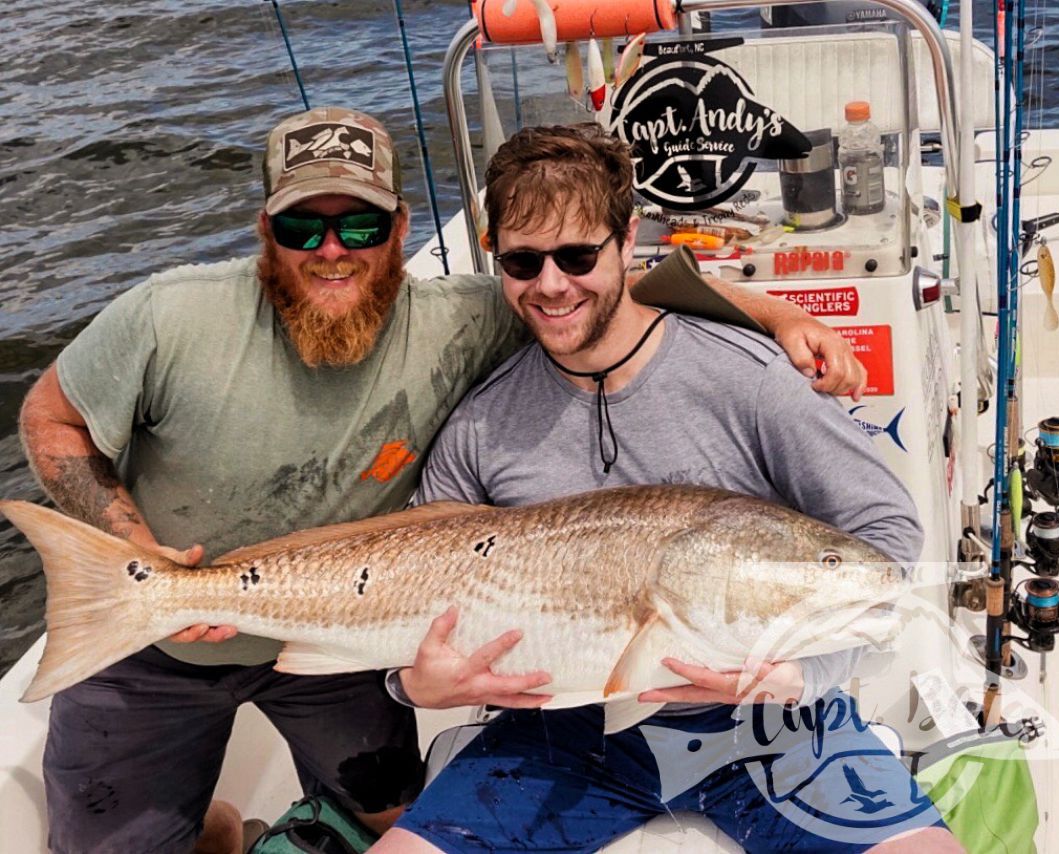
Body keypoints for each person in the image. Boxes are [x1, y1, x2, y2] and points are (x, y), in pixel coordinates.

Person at [17, 107, 864, 854]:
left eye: (361, 226)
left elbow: (603, 287)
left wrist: (776, 314)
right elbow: (50, 418)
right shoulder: (169, 315)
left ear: (400, 226)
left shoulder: (470, 315)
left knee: (395, 815)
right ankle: (213, 828)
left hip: (341, 632)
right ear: (263, 230)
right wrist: (137, 552)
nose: (334, 251)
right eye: (303, 228)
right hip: (158, 646)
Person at [373, 124, 962, 853]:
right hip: (560, 735)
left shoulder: (749, 379)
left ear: (626, 243)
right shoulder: (480, 425)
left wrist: (805, 675)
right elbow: (414, 595)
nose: (551, 284)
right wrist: (414, 686)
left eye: (578, 255)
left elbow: (887, 536)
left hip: (766, 730)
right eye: (523, 261)